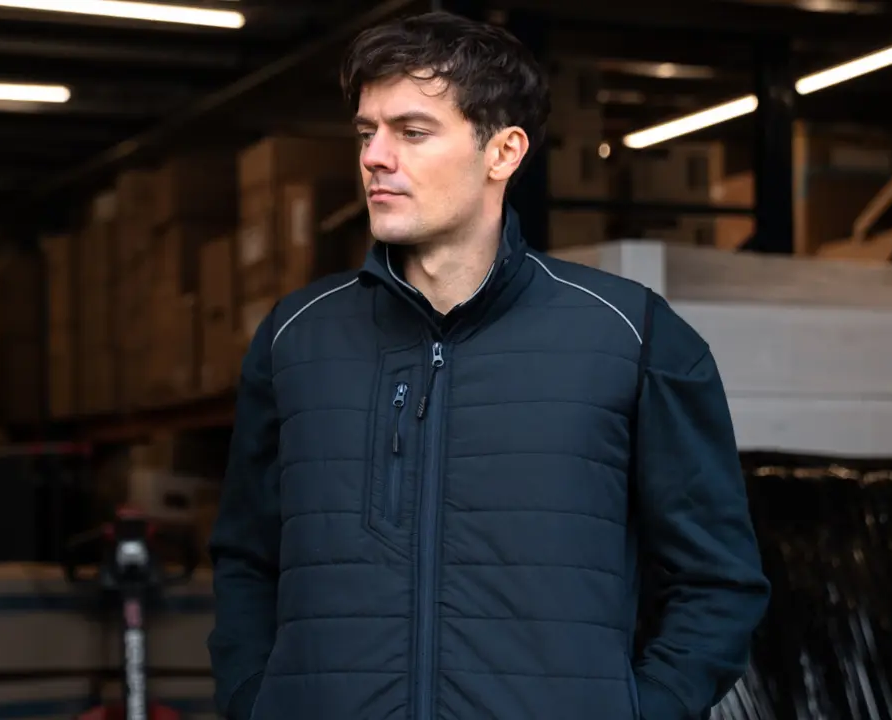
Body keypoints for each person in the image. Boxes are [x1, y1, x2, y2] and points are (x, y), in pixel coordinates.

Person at [208, 10, 769, 720]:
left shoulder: (633, 338)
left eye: (412, 132)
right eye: (366, 132)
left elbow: (718, 583)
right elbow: (246, 561)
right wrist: (256, 702)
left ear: (503, 152)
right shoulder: (297, 338)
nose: (376, 156)